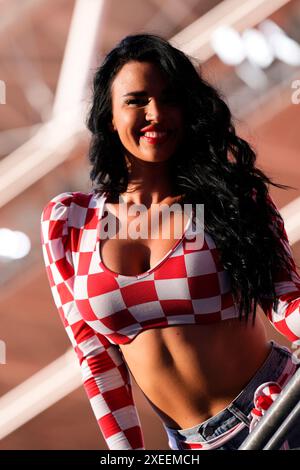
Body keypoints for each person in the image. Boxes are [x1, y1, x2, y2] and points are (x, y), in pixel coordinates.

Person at [40, 33, 300, 450]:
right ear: (109, 115)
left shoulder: (230, 197)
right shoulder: (70, 221)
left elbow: (284, 297)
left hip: (280, 411)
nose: (156, 113)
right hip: (187, 447)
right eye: (137, 100)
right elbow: (97, 361)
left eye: (170, 98)